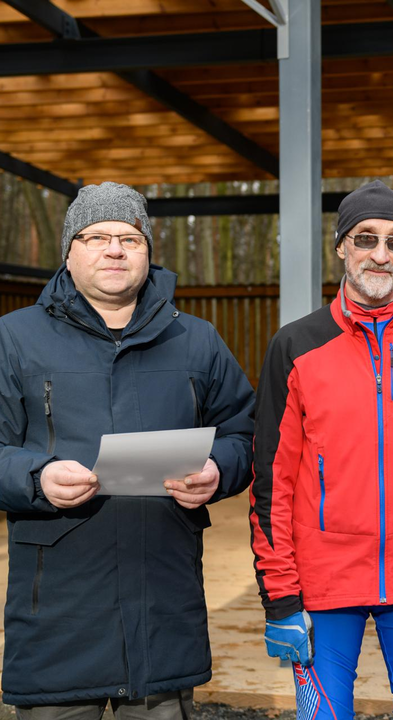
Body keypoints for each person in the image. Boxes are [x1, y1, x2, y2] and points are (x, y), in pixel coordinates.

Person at [0, 182, 256, 717]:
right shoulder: (14, 339)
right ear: (69, 250)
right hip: (57, 615)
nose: (114, 249)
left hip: (162, 605)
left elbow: (244, 432)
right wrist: (35, 478)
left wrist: (219, 470)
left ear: (147, 252)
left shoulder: (197, 341)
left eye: (129, 238)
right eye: (96, 236)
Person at [251, 181, 393, 719]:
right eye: (365, 238)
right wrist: (280, 594)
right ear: (341, 247)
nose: (380, 253)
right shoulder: (296, 345)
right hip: (322, 581)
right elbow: (270, 481)